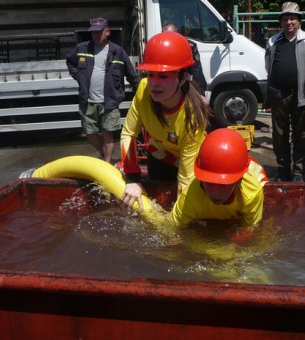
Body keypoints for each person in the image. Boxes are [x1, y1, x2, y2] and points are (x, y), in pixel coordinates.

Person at [120, 31, 211, 210]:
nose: (154, 83)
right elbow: (129, 133)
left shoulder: (192, 117)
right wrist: (132, 179)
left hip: (191, 162)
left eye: (163, 76)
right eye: (150, 74)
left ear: (183, 77)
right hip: (159, 158)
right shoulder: (143, 90)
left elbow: (185, 178)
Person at [167, 128, 264, 240]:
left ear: (238, 180)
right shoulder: (190, 197)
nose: (215, 193)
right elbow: (171, 229)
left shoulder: (252, 194)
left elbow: (251, 228)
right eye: (209, 183)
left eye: (223, 185)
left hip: (252, 172)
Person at [66, 17, 140, 163]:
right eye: (93, 32)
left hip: (110, 101)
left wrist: (142, 92)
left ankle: (107, 162)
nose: (96, 35)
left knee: (108, 134)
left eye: (99, 32)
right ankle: (103, 152)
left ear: (107, 32)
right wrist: (79, 77)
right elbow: (70, 62)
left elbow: (132, 75)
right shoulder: (82, 48)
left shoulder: (118, 52)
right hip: (87, 100)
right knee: (90, 132)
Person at [264, 2, 305, 182]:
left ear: (299, 21)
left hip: (301, 96)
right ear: (281, 21)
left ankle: (298, 172)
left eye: (292, 19)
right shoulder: (273, 41)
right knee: (279, 135)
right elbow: (268, 66)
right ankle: (283, 171)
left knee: (301, 134)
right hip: (278, 95)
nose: (289, 22)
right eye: (286, 19)